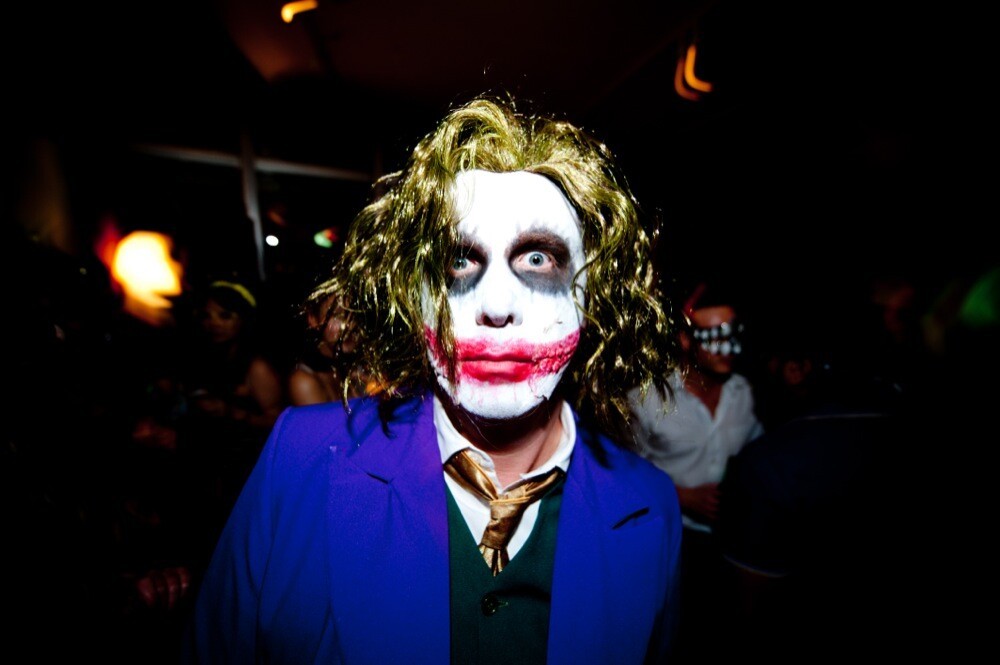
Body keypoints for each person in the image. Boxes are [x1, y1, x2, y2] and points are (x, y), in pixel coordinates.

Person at [183, 96, 684, 663]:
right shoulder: (302, 459)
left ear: (593, 294)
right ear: (411, 292)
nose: (497, 306)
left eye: (538, 259)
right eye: (459, 260)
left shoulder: (649, 507)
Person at [626, 279, 763, 662]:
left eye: (732, 332)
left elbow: (760, 454)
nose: (726, 346)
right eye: (714, 335)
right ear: (686, 340)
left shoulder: (746, 393)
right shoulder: (647, 399)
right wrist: (680, 496)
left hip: (733, 541)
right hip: (671, 539)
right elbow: (620, 473)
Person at [287, 292, 374, 405]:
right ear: (313, 319)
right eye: (338, 315)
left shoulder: (363, 363)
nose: (349, 325)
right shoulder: (304, 382)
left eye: (354, 314)